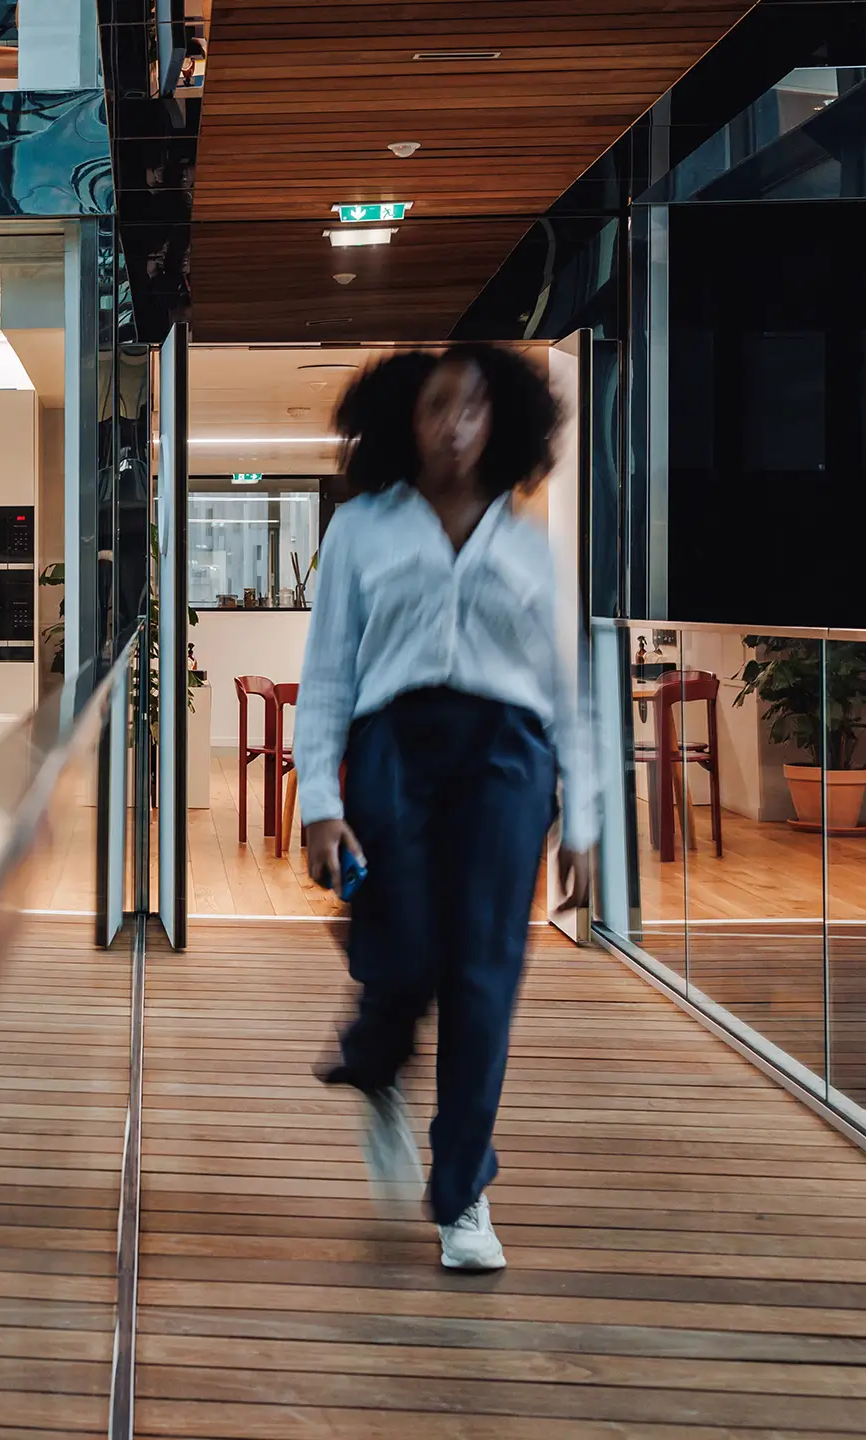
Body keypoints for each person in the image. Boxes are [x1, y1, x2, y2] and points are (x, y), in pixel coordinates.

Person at [295, 344, 593, 1273]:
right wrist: (317, 798)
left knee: (483, 975)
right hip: (395, 748)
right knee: (403, 946)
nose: (456, 425)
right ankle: (376, 1063)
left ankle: (463, 1191)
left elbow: (565, 685)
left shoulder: (527, 539)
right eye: (437, 407)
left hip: (507, 757)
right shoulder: (361, 529)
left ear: (501, 419)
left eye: (473, 408)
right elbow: (328, 672)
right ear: (406, 420)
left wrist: (582, 816)